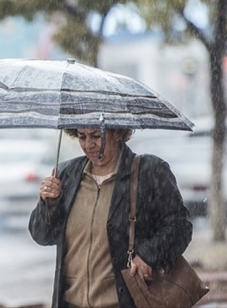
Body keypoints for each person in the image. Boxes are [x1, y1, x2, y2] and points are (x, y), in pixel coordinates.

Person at [29, 127, 192, 308]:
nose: (88, 144)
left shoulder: (150, 171)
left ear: (118, 133)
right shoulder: (66, 175)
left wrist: (148, 255)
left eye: (97, 136)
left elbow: (180, 226)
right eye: (82, 137)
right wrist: (49, 204)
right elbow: (42, 236)